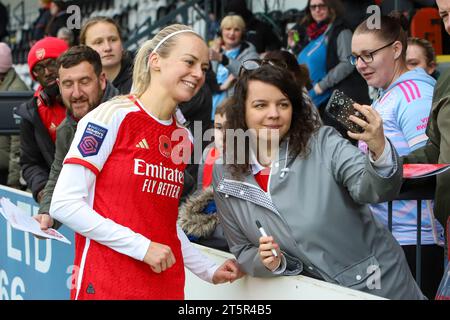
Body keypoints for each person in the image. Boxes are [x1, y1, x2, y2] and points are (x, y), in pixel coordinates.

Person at [49, 24, 243, 300]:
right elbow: (64, 204)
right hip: (108, 285)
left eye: (204, 67)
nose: (198, 74)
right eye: (189, 62)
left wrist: (207, 270)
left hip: (165, 287)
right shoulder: (112, 115)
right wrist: (142, 247)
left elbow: (162, 219)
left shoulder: (183, 135)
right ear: (156, 62)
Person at [213, 63, 425, 299]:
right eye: (260, 105)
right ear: (241, 111)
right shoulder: (225, 172)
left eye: (283, 104)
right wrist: (267, 263)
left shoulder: (324, 143)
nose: (273, 113)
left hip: (378, 286)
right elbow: (242, 249)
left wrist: (379, 148)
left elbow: (374, 190)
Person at [351, 14, 444, 298]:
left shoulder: (414, 94)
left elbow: (431, 162)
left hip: (415, 239)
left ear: (395, 49)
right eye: (355, 57)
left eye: (368, 55)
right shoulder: (387, 93)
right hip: (390, 236)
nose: (360, 65)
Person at [33, 45, 119, 231]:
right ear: (59, 85)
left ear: (102, 80)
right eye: (68, 84)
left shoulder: (128, 118)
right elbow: (58, 173)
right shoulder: (66, 129)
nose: (77, 93)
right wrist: (47, 213)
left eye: (85, 81)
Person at [403, 0, 450, 253]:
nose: (449, 24)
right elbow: (435, 148)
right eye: (444, 15)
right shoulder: (445, 82)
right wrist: (390, 168)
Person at [294, 0, 370, 139]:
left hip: (342, 98)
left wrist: (322, 85)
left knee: (343, 141)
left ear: (331, 8)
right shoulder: (312, 33)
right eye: (313, 7)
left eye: (321, 6)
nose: (317, 10)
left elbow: (348, 63)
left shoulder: (341, 30)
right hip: (321, 100)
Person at [15, 37, 69, 203]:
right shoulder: (31, 113)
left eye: (52, 63)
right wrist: (42, 190)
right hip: (58, 198)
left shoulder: (91, 98)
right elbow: (30, 163)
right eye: (39, 68)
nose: (47, 72)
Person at [178, 98, 231, 252]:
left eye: (232, 128)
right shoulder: (209, 153)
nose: (224, 135)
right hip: (207, 239)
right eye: (219, 127)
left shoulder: (254, 162)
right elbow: (201, 195)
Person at [209, 14, 259, 120]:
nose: (232, 33)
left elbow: (250, 73)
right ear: (221, 32)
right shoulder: (214, 49)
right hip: (209, 108)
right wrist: (221, 86)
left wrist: (223, 59)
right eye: (228, 29)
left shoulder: (250, 52)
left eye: (236, 29)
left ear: (243, 33)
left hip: (233, 111)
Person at [0, 42, 29, 188]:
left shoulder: (16, 94)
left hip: (6, 175)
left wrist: (13, 182)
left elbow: (18, 145)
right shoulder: (5, 86)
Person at [79, 16, 133, 94]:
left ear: (121, 43)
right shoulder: (77, 83)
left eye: (113, 40)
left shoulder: (143, 78)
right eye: (98, 42)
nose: (107, 48)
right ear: (84, 48)